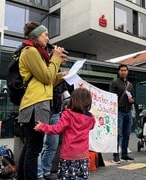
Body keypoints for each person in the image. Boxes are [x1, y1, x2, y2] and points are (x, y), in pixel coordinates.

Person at [17, 21, 67, 180]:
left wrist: (61, 75)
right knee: (34, 148)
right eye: (45, 34)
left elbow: (48, 79)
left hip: (35, 104)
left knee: (30, 147)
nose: (48, 37)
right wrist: (56, 59)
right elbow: (46, 77)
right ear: (36, 35)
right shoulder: (31, 51)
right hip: (36, 105)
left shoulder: (36, 52)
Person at [34, 88, 95, 179]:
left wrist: (42, 127)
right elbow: (91, 127)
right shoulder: (90, 118)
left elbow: (57, 129)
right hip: (83, 156)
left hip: (68, 156)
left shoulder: (68, 115)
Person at [37, 80, 70, 179]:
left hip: (55, 111)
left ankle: (46, 171)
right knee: (37, 145)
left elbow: (66, 95)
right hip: (41, 110)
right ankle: (38, 174)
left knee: (52, 144)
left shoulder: (60, 75)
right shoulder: (41, 70)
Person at [109, 64, 135, 164]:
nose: (123, 71)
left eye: (125, 70)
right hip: (118, 111)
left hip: (128, 111)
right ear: (119, 72)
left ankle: (124, 154)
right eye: (121, 70)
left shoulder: (130, 84)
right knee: (118, 134)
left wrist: (131, 100)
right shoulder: (114, 83)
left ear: (127, 72)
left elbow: (133, 98)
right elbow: (110, 97)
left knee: (127, 134)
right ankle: (116, 155)